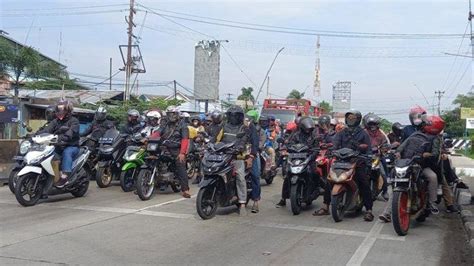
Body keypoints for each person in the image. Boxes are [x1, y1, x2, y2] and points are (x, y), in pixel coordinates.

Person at [332, 110, 374, 221]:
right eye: (349, 118)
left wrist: (368, 158)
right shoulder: (342, 132)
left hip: (358, 162)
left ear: (358, 119)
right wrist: (332, 151)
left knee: (364, 183)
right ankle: (326, 206)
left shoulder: (363, 133)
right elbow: (335, 145)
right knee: (330, 180)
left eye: (353, 118)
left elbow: (368, 149)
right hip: (342, 162)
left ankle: (369, 210)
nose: (350, 120)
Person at [276, 117, 320, 208]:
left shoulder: (314, 136)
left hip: (308, 159)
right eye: (306, 128)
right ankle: (283, 198)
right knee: (288, 176)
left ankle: (315, 191)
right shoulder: (296, 135)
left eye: (309, 128)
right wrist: (285, 148)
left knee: (314, 173)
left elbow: (316, 149)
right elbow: (289, 144)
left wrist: (312, 155)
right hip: (296, 158)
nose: (308, 130)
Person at [214, 105, 250, 215]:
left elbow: (243, 140)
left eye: (236, 115)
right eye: (231, 115)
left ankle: (242, 203)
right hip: (223, 155)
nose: (233, 117)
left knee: (240, 177)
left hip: (237, 157)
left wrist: (239, 148)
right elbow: (216, 139)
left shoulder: (243, 128)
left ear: (240, 117)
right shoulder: (223, 126)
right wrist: (210, 144)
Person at [37, 100, 80, 188]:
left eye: (63, 110)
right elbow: (46, 130)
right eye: (58, 110)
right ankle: (52, 176)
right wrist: (34, 136)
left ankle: (65, 176)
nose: (60, 112)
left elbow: (71, 131)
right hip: (58, 145)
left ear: (68, 110)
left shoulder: (74, 121)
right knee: (47, 155)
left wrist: (66, 137)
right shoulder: (55, 121)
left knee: (66, 153)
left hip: (71, 146)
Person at [157, 106, 191, 198]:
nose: (171, 116)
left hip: (176, 148)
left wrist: (182, 153)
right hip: (164, 146)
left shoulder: (183, 125)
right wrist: (149, 138)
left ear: (177, 114)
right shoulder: (165, 124)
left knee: (180, 164)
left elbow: (185, 140)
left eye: (173, 114)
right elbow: (158, 132)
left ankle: (185, 189)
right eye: (169, 114)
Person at [363, 113, 390, 200]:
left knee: (383, 174)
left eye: (374, 124)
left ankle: (385, 191)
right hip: (364, 157)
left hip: (377, 157)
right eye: (371, 124)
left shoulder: (381, 133)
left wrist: (383, 149)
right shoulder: (363, 133)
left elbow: (386, 144)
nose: (373, 126)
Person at [245, 110, 261, 213]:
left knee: (255, 176)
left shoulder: (254, 129)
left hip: (251, 154)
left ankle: (256, 201)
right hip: (238, 154)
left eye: (249, 118)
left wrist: (251, 156)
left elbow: (255, 144)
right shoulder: (234, 127)